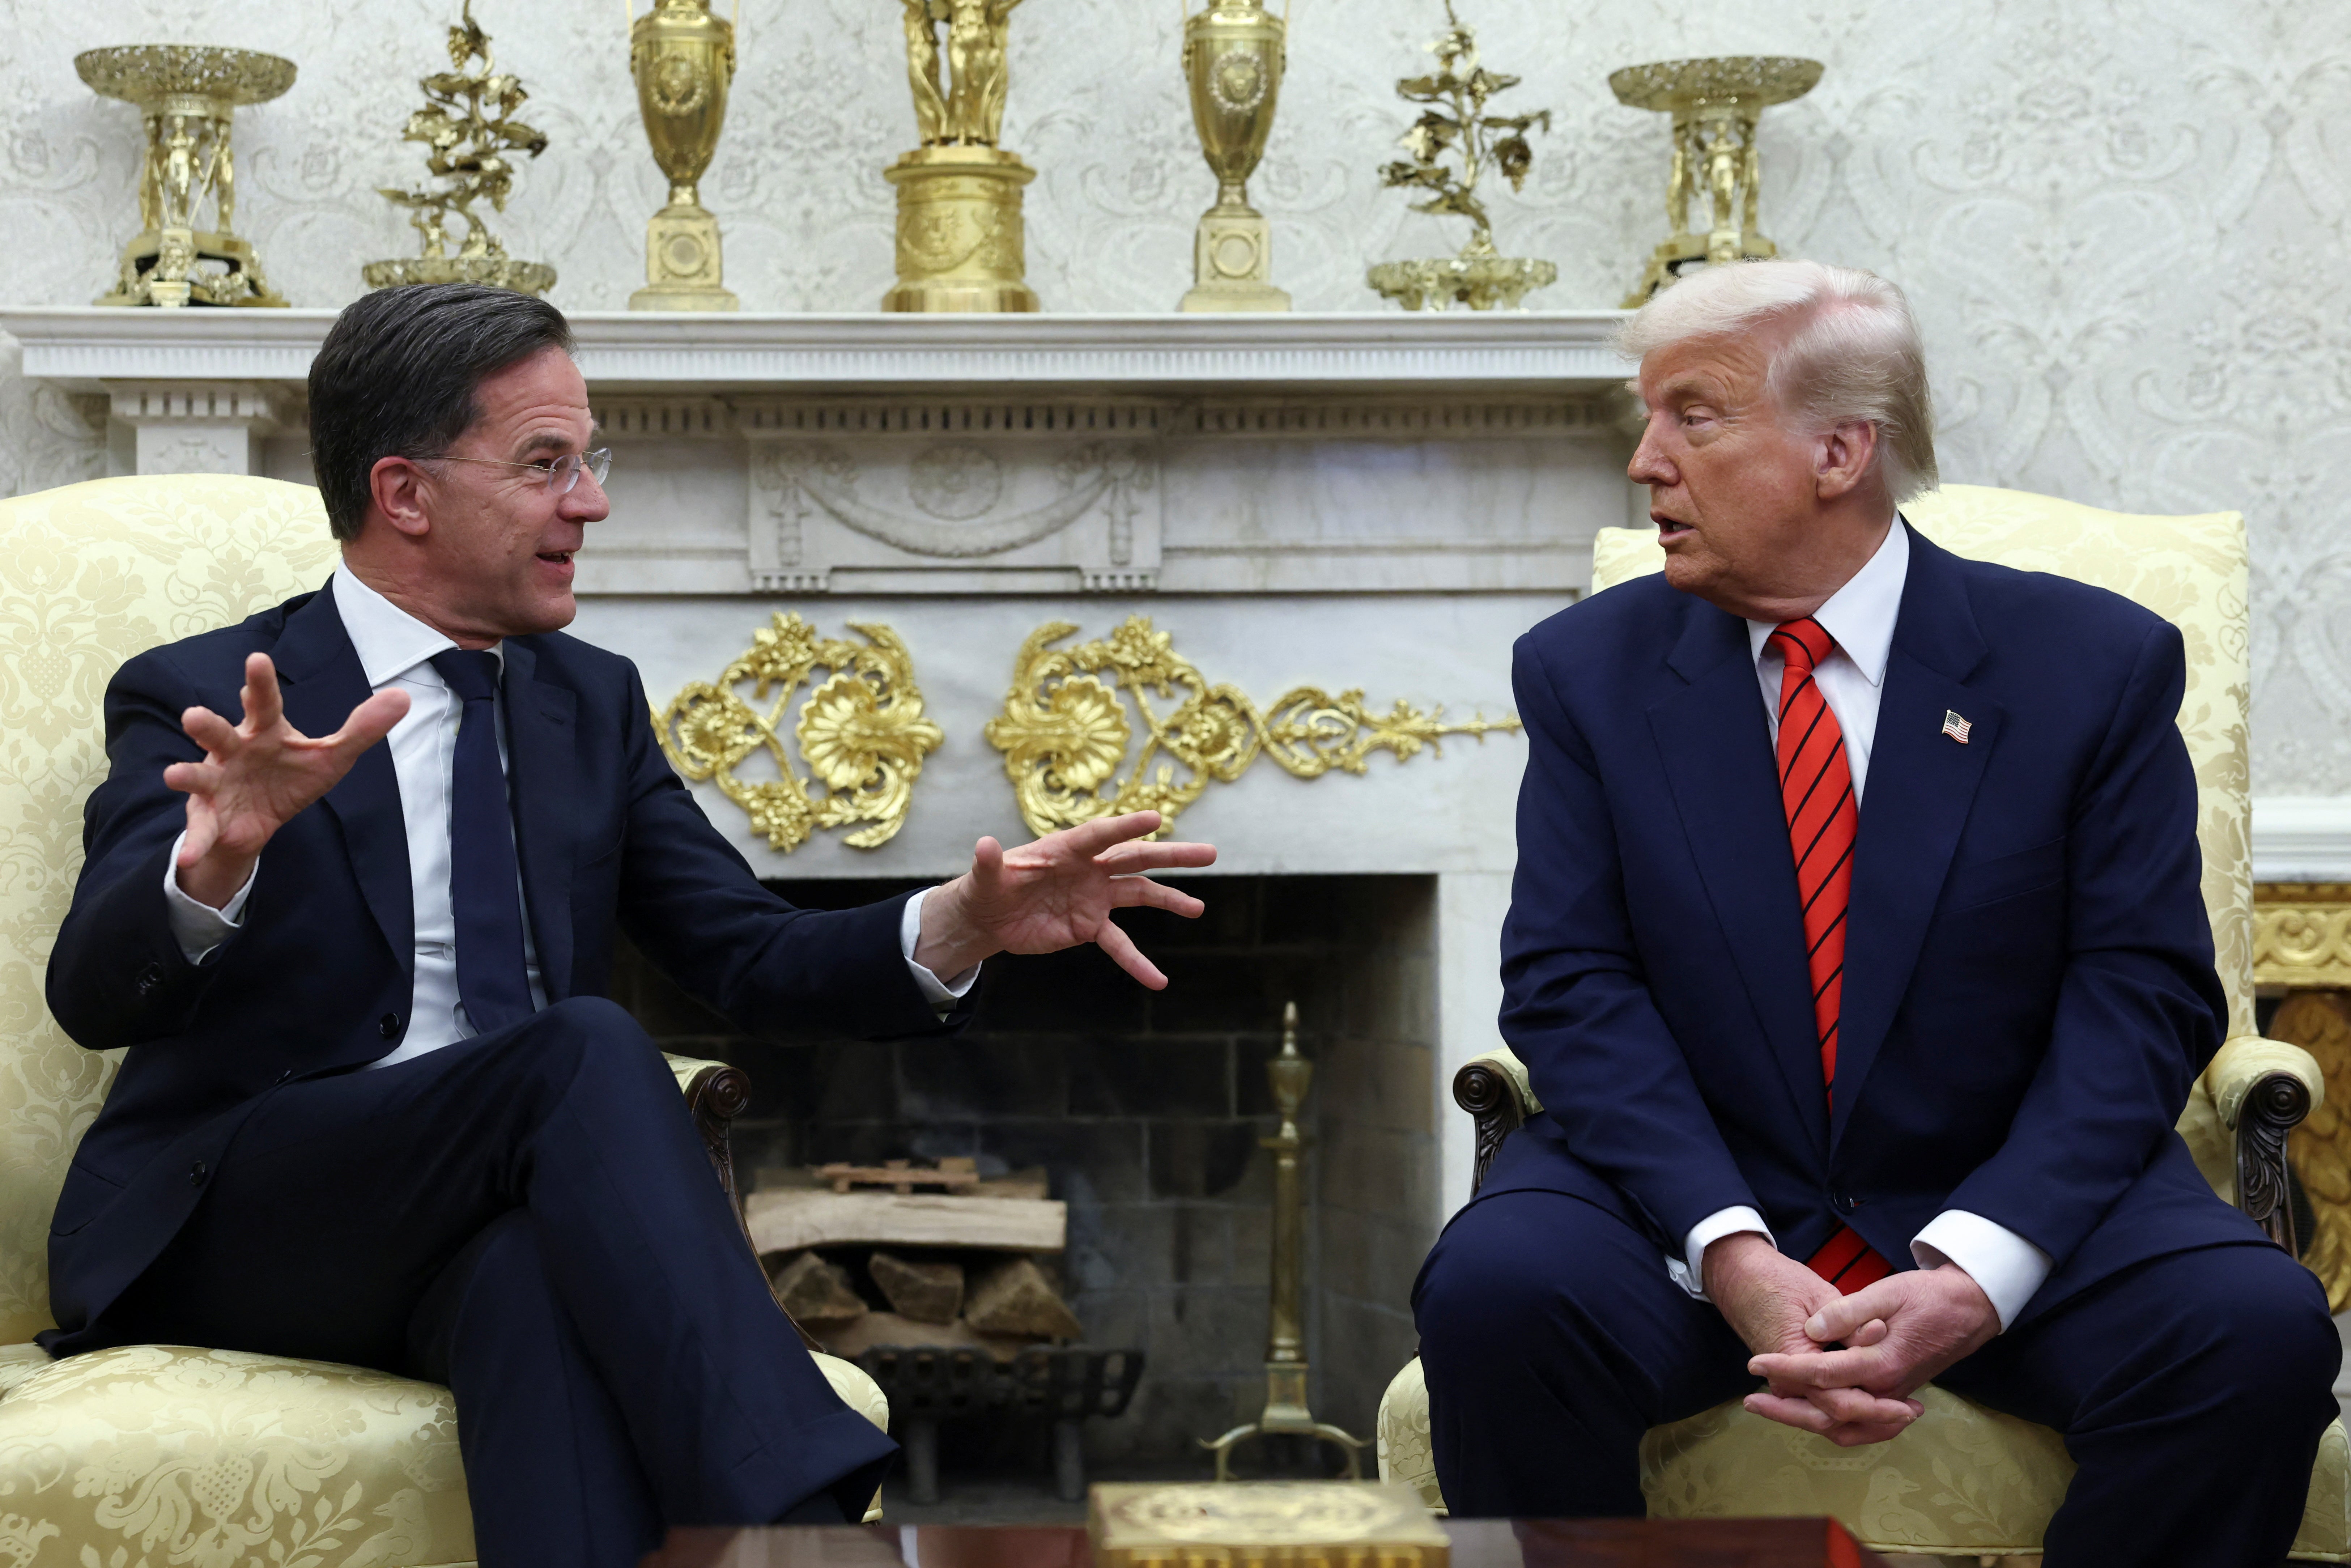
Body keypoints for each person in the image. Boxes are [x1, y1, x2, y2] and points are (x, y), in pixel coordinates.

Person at [41, 282, 1216, 1565]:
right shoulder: (213, 693)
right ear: (406, 493)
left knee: (531, 1290)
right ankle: (811, 1525)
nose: (590, 502)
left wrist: (962, 923)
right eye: (546, 464)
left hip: (480, 1211)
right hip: (239, 1215)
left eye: (588, 460)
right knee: (585, 1047)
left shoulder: (586, 705)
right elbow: (94, 996)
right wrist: (213, 869)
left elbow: (744, 951)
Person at [1411, 259, 2337, 1564]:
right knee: (1496, 1294)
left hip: (2007, 1182)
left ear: (1840, 450)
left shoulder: (2091, 664)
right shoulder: (1585, 670)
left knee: (2252, 1335)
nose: (1643, 462)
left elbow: (2142, 991)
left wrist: (1977, 1267)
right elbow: (1570, 981)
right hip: (1685, 1196)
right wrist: (1728, 1247)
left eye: (1693, 415)